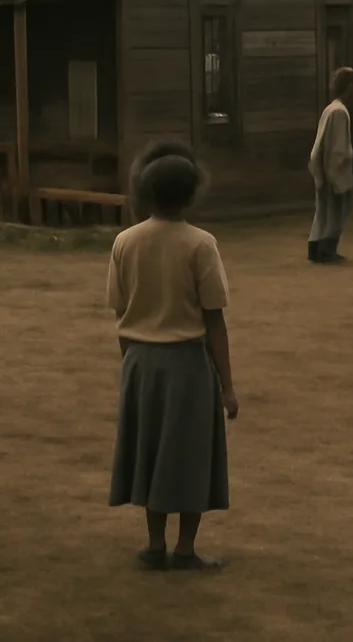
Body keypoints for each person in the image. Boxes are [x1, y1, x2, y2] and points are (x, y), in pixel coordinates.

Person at [107, 139, 239, 572]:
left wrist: (131, 363)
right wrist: (228, 385)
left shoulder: (125, 242)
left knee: (151, 452)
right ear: (192, 193)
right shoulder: (200, 244)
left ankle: (153, 543)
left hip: (141, 363)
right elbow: (213, 318)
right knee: (188, 456)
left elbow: (120, 309)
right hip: (186, 363)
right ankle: (184, 548)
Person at [307, 67, 353, 264]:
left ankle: (316, 247)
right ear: (350, 87)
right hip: (333, 171)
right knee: (336, 210)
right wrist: (336, 176)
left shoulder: (331, 109)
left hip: (324, 169)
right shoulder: (339, 112)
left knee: (323, 210)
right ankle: (326, 249)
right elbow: (337, 148)